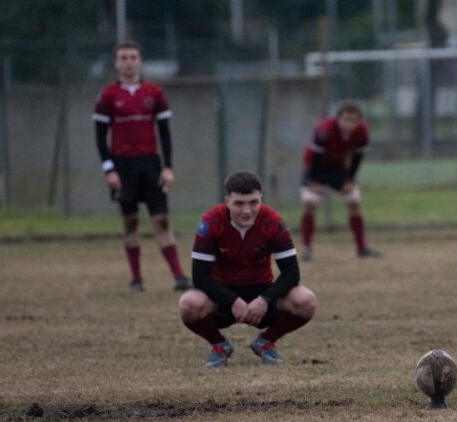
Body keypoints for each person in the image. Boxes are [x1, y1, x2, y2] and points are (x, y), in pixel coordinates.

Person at [178, 171, 316, 367]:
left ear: (261, 198)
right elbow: (200, 278)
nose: (247, 211)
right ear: (227, 201)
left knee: (306, 300)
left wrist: (265, 299)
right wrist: (232, 301)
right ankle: (219, 345)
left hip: (261, 294)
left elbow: (291, 274)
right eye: (239, 203)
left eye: (253, 202)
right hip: (221, 297)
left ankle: (266, 341)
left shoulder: (273, 221)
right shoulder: (211, 222)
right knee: (189, 304)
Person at [93, 40, 190, 292]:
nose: (129, 62)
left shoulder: (154, 93)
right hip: (122, 166)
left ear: (140, 60)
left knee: (161, 221)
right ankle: (136, 280)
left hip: (150, 164)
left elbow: (165, 134)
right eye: (123, 57)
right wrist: (109, 170)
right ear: (116, 62)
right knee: (131, 222)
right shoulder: (108, 96)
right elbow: (100, 138)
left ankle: (179, 277)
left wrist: (167, 167)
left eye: (133, 57)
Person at [299, 100, 381, 261]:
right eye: (345, 119)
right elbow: (315, 158)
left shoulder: (363, 131)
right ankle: (307, 249)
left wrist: (349, 180)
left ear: (360, 121)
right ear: (338, 118)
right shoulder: (323, 130)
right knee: (310, 203)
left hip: (339, 168)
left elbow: (357, 157)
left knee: (353, 202)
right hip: (316, 168)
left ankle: (362, 249)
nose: (349, 124)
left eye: (354, 120)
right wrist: (313, 182)